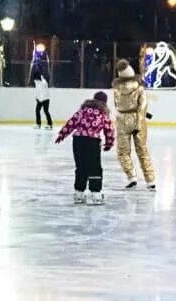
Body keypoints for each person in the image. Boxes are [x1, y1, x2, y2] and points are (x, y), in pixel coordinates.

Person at [54, 90, 116, 205]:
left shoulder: (82, 111)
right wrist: (109, 143)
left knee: (81, 166)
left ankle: (79, 193)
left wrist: (62, 135)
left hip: (78, 141)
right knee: (95, 167)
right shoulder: (102, 114)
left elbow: (71, 123)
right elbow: (109, 130)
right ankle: (96, 194)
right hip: (92, 142)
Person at [113, 59, 156, 190]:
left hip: (122, 120)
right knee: (142, 151)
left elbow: (117, 104)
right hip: (137, 119)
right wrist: (139, 121)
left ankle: (131, 177)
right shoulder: (140, 88)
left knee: (123, 152)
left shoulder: (116, 89)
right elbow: (142, 105)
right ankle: (150, 180)